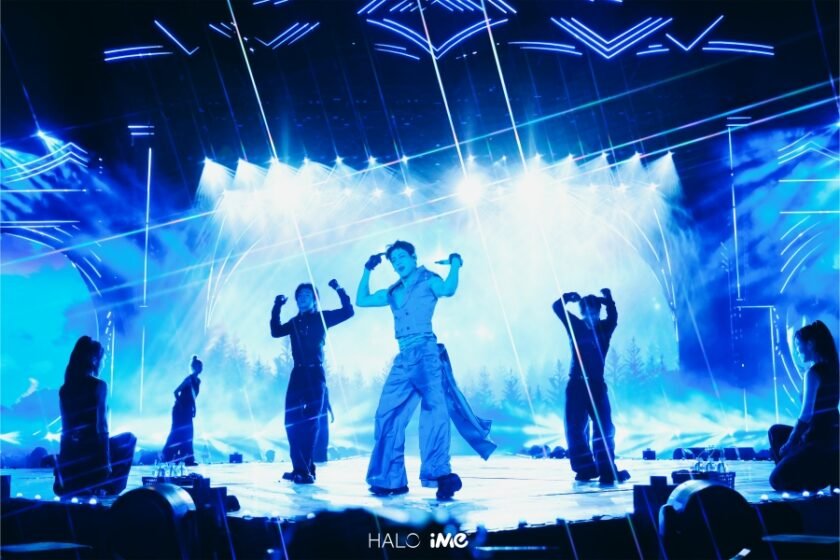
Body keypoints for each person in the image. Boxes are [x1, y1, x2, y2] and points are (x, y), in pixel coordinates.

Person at [357, 241, 495, 500]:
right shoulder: (393, 291)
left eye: (402, 256)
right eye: (394, 259)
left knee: (434, 412)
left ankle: (440, 474)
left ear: (413, 257)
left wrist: (455, 263)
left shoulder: (429, 279)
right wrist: (367, 269)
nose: (398, 262)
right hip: (403, 358)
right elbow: (362, 300)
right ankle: (389, 479)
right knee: (386, 414)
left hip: (426, 352)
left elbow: (448, 290)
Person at [271, 279, 354, 484]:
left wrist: (339, 289)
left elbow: (348, 312)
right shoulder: (294, 322)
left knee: (311, 422)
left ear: (315, 299)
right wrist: (277, 307)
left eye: (307, 295)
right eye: (299, 295)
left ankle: (305, 470)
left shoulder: (322, 318)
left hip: (316, 374)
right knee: (291, 421)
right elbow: (275, 331)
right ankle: (301, 468)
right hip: (297, 374)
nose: (302, 298)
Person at [553, 289, 629, 485]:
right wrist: (567, 297)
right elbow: (557, 308)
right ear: (583, 313)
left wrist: (608, 300)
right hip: (576, 384)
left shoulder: (605, 329)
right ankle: (585, 469)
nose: (591, 316)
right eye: (588, 312)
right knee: (575, 428)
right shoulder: (576, 326)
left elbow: (613, 317)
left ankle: (606, 469)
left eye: (595, 312)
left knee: (604, 427)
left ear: (598, 312)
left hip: (596, 384)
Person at [54, 336, 137, 497]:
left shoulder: (65, 389)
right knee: (129, 439)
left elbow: (65, 430)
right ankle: (107, 487)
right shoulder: (98, 385)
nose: (103, 363)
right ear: (93, 360)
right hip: (94, 453)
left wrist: (64, 465)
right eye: (102, 359)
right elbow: (102, 427)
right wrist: (105, 463)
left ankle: (81, 481)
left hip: (74, 454)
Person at [768, 320, 839, 492]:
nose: (796, 350)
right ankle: (811, 469)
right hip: (833, 437)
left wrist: (790, 443)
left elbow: (806, 415)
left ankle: (810, 476)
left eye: (798, 345)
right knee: (776, 432)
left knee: (775, 480)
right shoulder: (835, 369)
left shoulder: (813, 373)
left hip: (817, 438)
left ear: (811, 344)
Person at [162, 356, 202, 465]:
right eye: (199, 366)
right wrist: (181, 404)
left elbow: (193, 396)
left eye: (201, 367)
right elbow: (176, 392)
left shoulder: (198, 381)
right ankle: (168, 456)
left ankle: (188, 459)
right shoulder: (188, 379)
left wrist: (194, 407)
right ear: (194, 367)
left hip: (187, 410)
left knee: (188, 433)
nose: (201, 368)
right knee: (177, 432)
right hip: (179, 411)